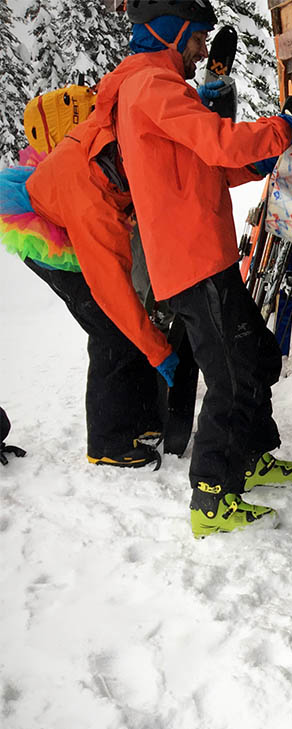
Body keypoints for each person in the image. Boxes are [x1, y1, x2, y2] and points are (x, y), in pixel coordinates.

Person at [91, 0, 292, 537]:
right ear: (169, 33)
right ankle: (212, 496)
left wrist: (259, 158)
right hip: (192, 261)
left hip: (205, 254)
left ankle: (251, 453)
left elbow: (206, 165)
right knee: (231, 376)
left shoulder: (158, 88)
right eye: (196, 38)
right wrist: (281, 129)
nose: (202, 49)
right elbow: (219, 141)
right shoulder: (152, 88)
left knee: (256, 354)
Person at [0, 86, 174, 468]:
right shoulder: (86, 178)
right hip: (53, 237)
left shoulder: (106, 132)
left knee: (121, 325)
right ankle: (107, 442)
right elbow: (108, 278)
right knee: (110, 328)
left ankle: (142, 420)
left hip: (67, 212)